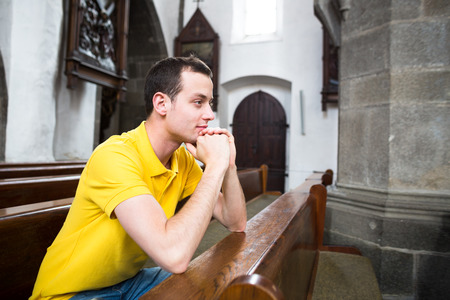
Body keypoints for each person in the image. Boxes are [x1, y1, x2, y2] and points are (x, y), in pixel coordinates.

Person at [30, 56, 247, 300]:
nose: (209, 114)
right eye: (198, 102)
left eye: (210, 103)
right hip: (72, 293)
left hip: (129, 282)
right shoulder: (114, 155)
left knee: (212, 286)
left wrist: (228, 164)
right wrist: (214, 166)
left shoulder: (182, 159)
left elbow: (235, 221)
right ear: (161, 104)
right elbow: (174, 256)